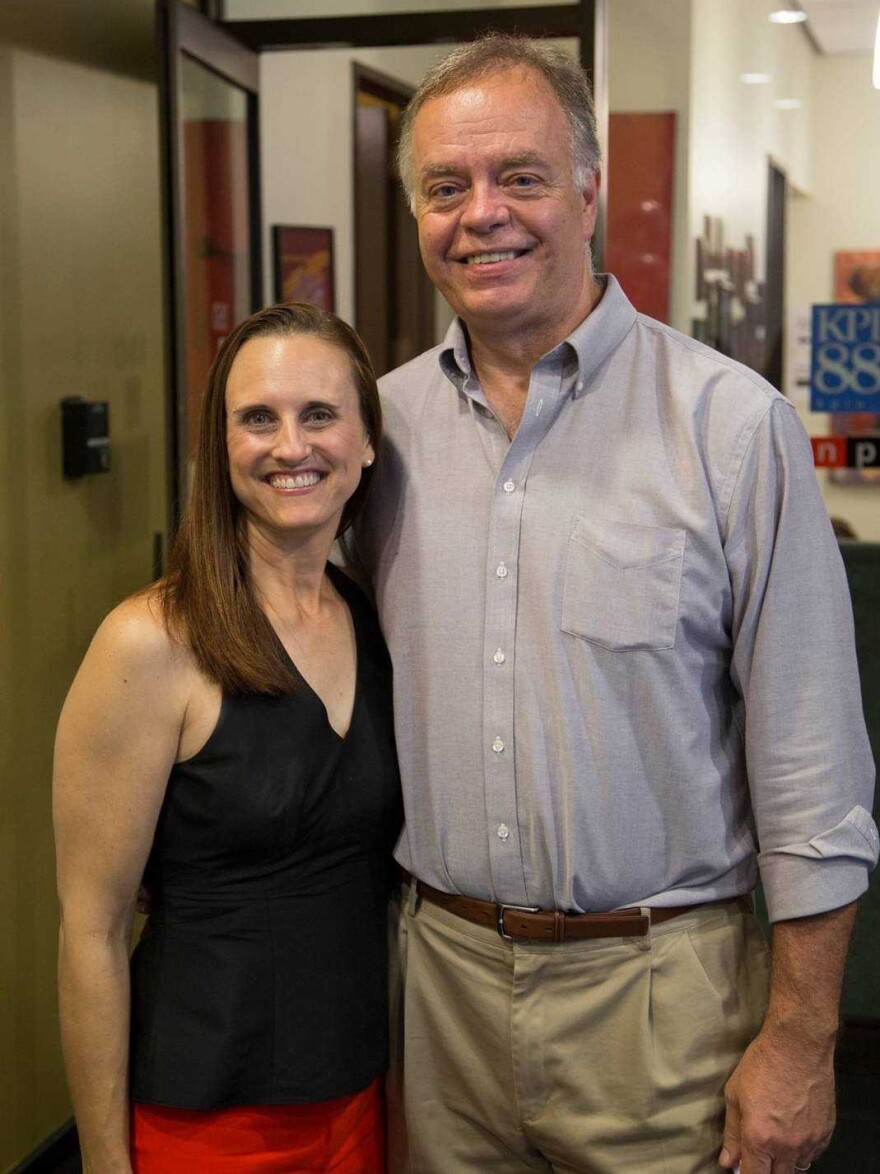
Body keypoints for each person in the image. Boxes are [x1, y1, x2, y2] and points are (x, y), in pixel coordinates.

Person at [352, 35, 879, 1174]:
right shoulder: (370, 434)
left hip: (660, 1005)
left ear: (588, 189)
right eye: (446, 187)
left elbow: (813, 771)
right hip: (432, 991)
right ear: (416, 211)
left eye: (521, 177)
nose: (482, 213)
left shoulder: (731, 429)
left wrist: (800, 1038)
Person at [54, 302, 402, 1173]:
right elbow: (91, 933)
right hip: (207, 1120)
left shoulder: (370, 617)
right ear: (219, 448)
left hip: (362, 1097)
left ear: (365, 442)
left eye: (319, 414)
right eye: (258, 419)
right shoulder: (152, 641)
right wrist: (104, 1163)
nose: (292, 447)